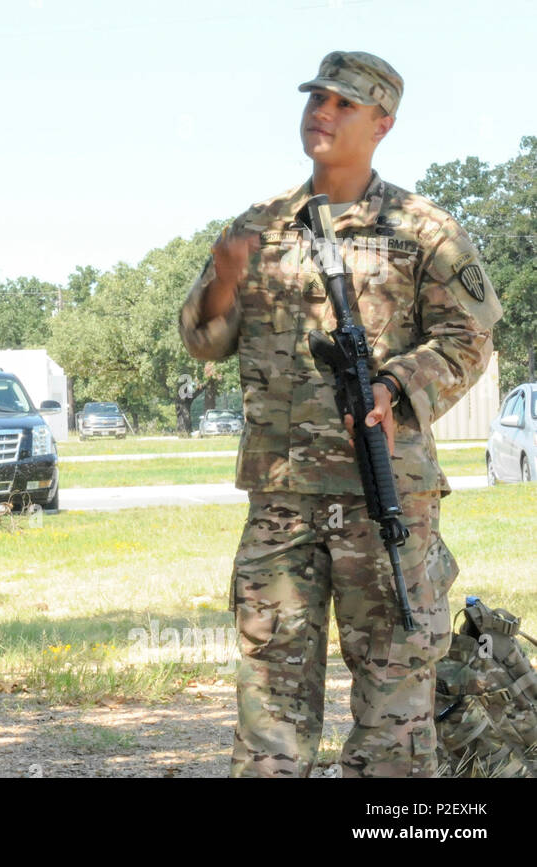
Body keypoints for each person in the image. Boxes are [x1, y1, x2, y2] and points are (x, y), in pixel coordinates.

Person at [179, 51, 503, 777]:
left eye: (344, 104)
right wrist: (223, 284)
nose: (321, 112)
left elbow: (469, 336)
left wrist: (394, 385)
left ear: (383, 123)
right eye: (316, 98)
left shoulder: (424, 229)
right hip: (283, 498)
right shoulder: (259, 226)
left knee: (394, 701)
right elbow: (204, 339)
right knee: (270, 701)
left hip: (383, 491)